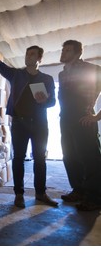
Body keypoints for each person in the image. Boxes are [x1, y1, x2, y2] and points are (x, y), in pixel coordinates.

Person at [0, 44, 58, 208]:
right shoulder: (16, 74)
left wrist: (44, 101)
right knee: (18, 158)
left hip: (40, 122)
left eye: (32, 54)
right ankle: (19, 195)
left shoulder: (47, 79)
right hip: (19, 122)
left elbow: (53, 101)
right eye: (27, 54)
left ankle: (41, 193)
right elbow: (0, 67)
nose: (28, 57)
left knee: (40, 159)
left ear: (40, 58)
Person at [58, 40, 101, 211]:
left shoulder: (93, 70)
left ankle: (95, 198)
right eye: (63, 49)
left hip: (84, 120)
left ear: (78, 53)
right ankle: (79, 190)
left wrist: (97, 116)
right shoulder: (62, 74)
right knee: (69, 156)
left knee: (90, 159)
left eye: (68, 50)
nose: (63, 53)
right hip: (65, 119)